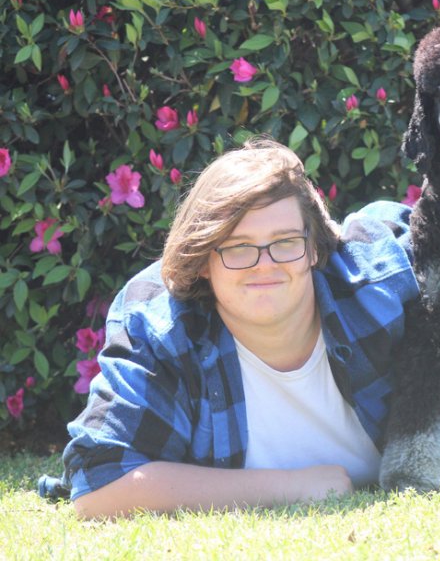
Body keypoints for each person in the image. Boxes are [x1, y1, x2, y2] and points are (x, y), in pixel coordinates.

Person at [39, 138, 418, 518]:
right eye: (238, 247)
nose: (265, 265)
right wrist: (294, 487)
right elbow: (100, 487)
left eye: (286, 242)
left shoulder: (379, 279)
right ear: (203, 259)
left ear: (314, 246)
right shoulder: (161, 324)